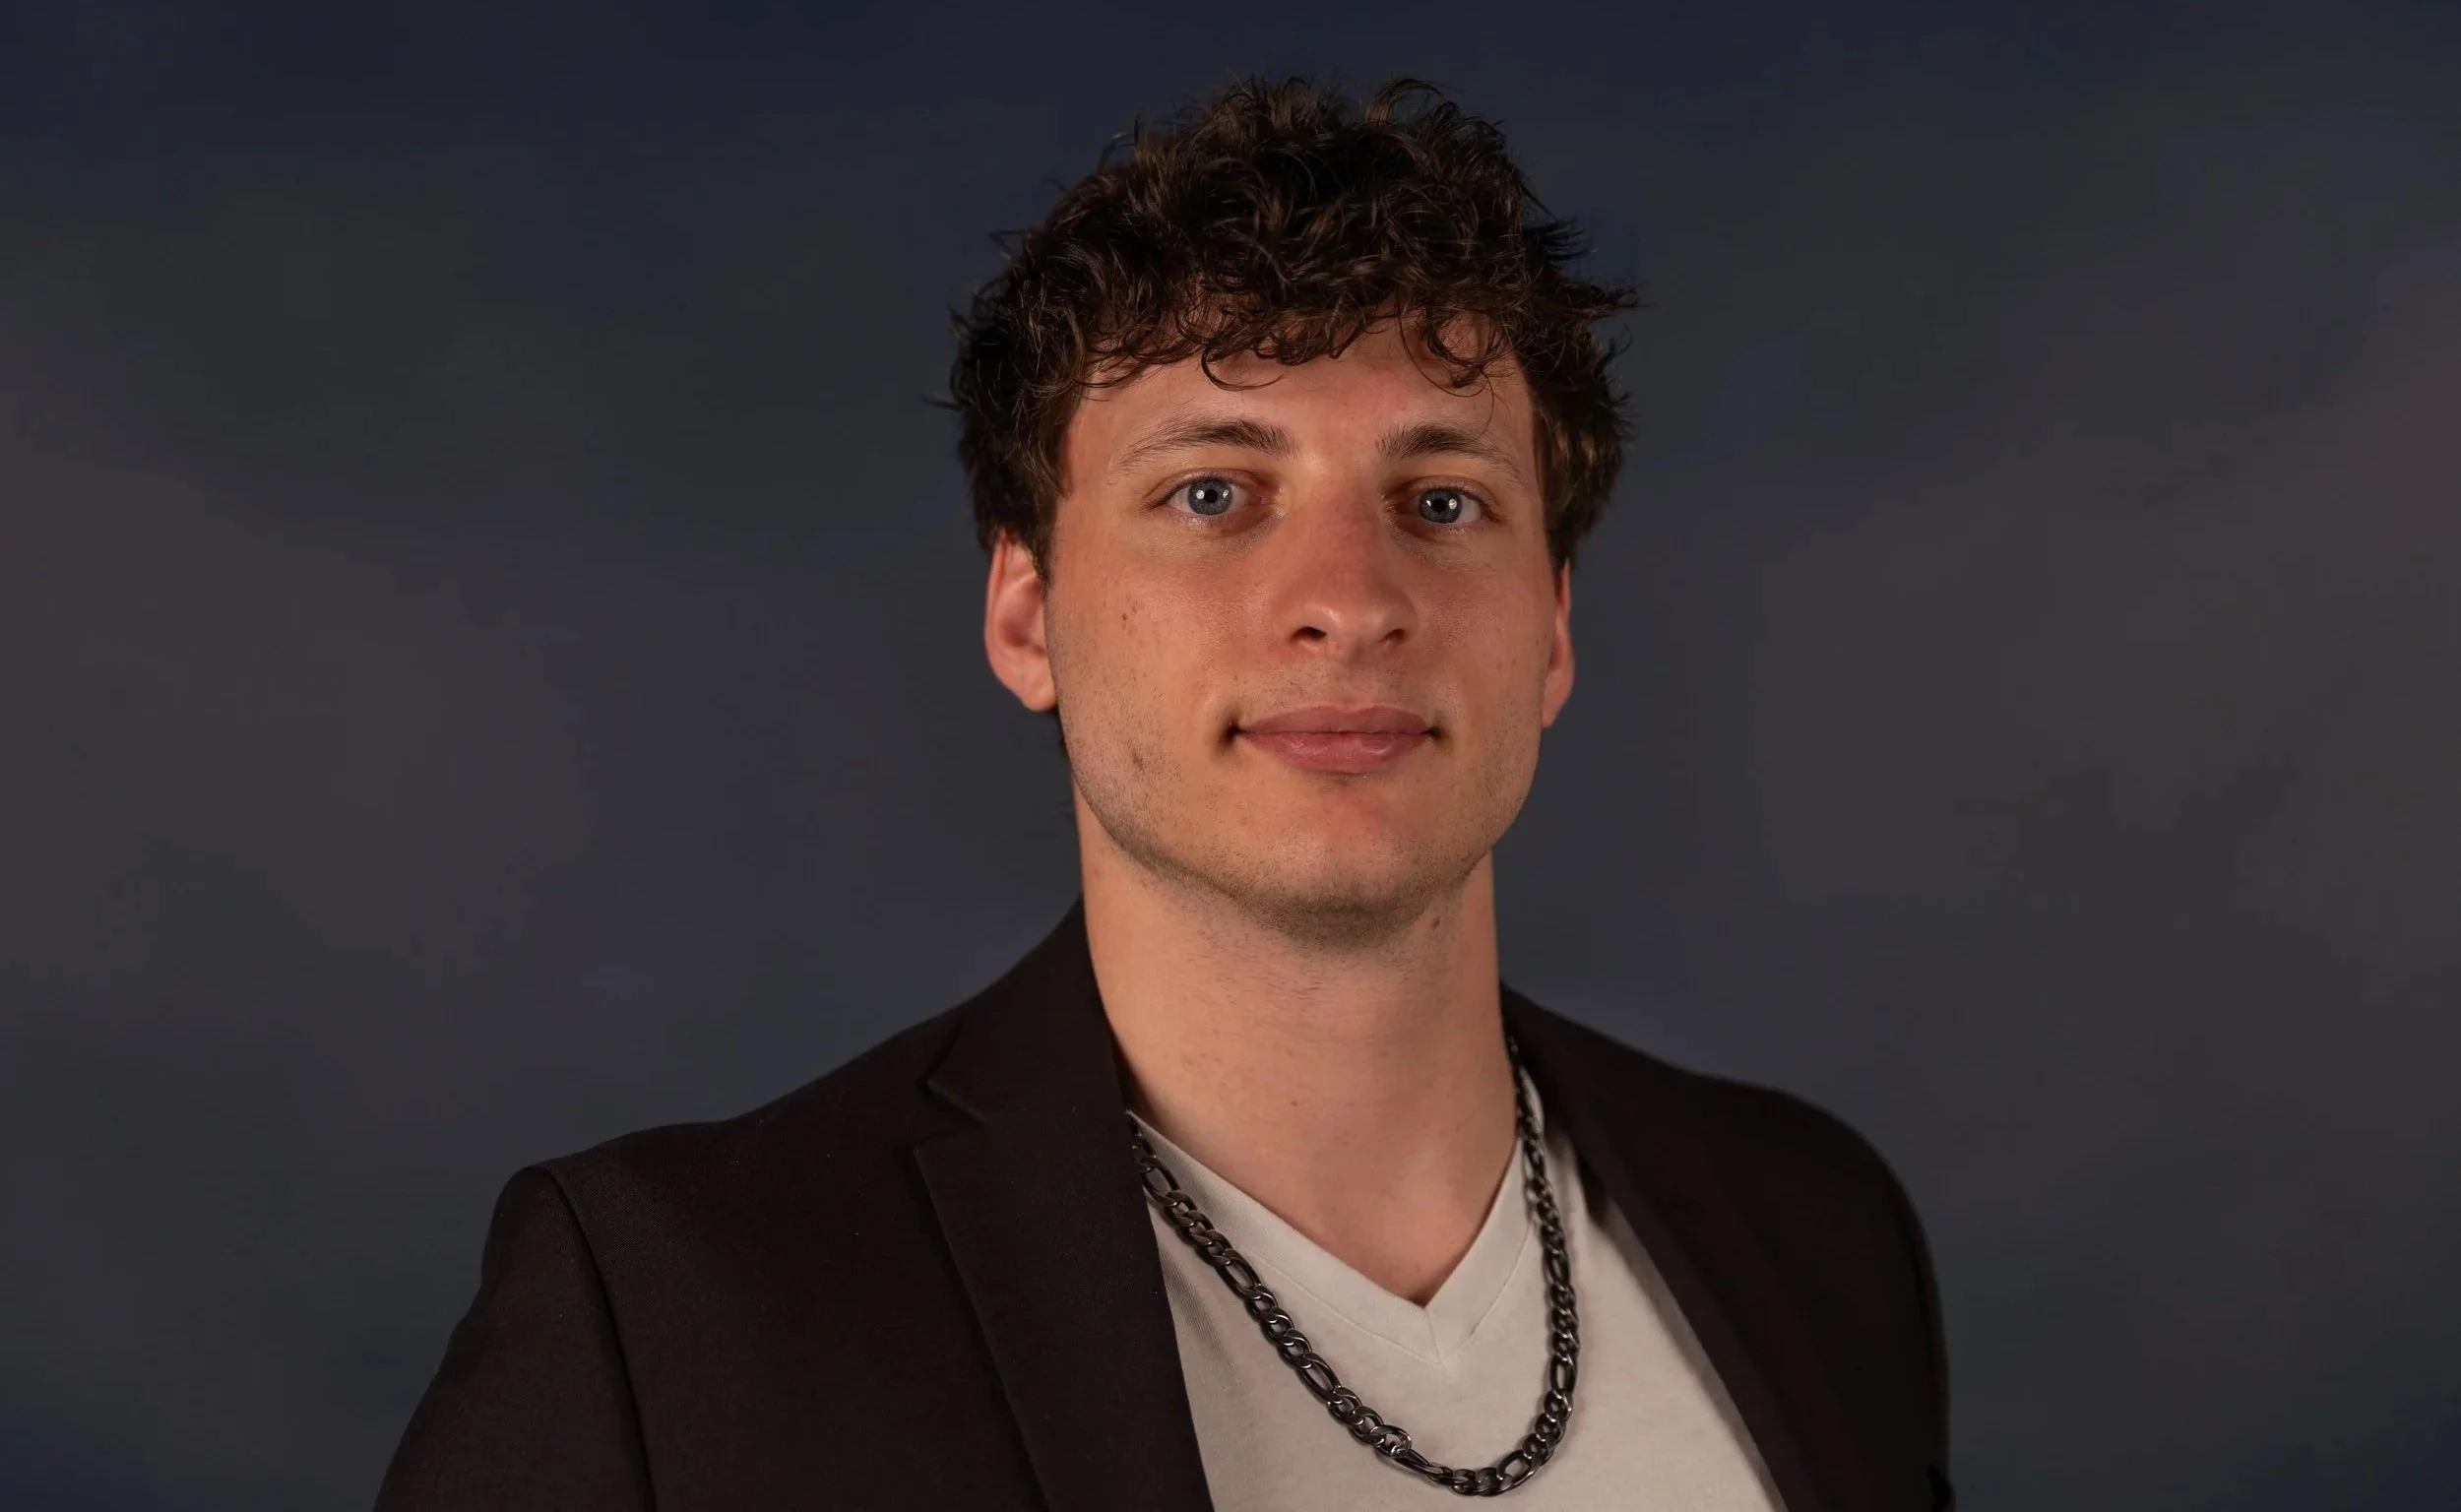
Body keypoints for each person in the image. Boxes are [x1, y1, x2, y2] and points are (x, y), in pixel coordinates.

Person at [377, 77, 1952, 1511]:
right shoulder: (669, 1311)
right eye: (1213, 492)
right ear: (1027, 617)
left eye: (1442, 498)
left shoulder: (1813, 1233)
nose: (1349, 600)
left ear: (1549, 631)